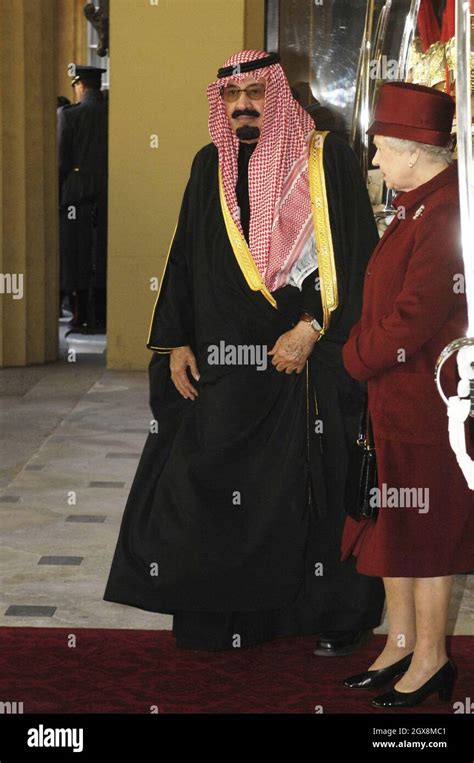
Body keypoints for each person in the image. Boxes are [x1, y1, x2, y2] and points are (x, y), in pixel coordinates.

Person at [104, 50, 384, 653]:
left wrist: (311, 329)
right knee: (213, 480)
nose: (242, 106)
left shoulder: (324, 157)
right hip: (227, 364)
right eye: (230, 97)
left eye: (254, 92)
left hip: (301, 360)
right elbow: (184, 254)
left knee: (316, 484)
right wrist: (175, 340)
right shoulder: (209, 164)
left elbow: (357, 255)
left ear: (277, 94)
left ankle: (335, 615)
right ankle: (229, 612)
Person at [341, 81, 474, 707]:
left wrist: (357, 356)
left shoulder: (444, 208)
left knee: (425, 532)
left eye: (379, 151)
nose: (373, 162)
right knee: (394, 524)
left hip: (426, 402)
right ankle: (398, 643)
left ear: (413, 152)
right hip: (393, 398)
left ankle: (431, 657)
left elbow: (419, 313)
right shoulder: (420, 201)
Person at [58, 64, 108, 332]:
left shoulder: (70, 115)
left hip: (76, 193)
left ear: (79, 86)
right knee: (102, 254)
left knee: (75, 255)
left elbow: (62, 159)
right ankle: (102, 314)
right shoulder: (112, 112)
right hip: (108, 192)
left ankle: (81, 316)